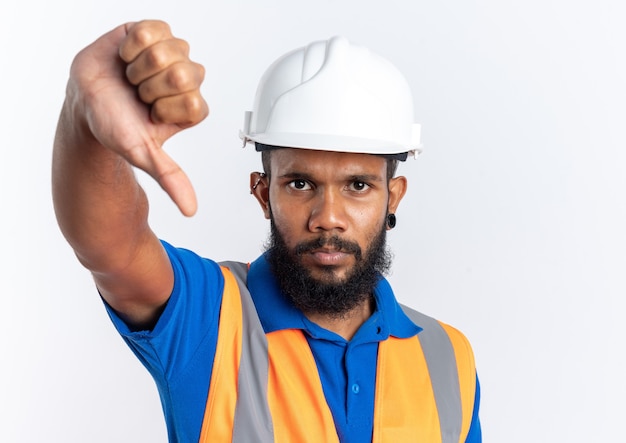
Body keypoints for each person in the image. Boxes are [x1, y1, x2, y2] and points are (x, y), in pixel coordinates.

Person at [52, 20, 482, 443]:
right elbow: (111, 246)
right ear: (262, 193)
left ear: (393, 196)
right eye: (300, 184)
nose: (328, 217)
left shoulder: (447, 356)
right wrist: (85, 119)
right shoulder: (209, 317)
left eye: (357, 186)